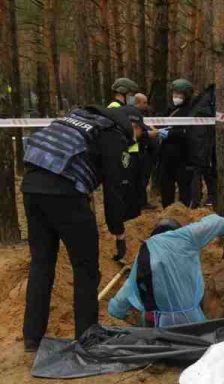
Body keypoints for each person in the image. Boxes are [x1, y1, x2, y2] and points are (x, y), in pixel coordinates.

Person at [21, 105, 137, 351]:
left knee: (41, 264)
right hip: (65, 194)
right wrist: (118, 231)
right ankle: (86, 335)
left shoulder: (77, 118)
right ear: (129, 126)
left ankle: (32, 338)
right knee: (85, 268)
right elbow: (114, 190)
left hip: (31, 187)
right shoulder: (112, 135)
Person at [108, 215, 224, 327]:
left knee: (147, 310)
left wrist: (117, 311)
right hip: (194, 322)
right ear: (176, 230)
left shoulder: (145, 251)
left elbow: (123, 297)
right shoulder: (186, 236)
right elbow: (218, 222)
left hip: (160, 328)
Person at [158, 78, 215, 208]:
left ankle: (184, 211)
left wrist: (171, 133)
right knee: (166, 186)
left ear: (186, 95)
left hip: (184, 155)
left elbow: (190, 131)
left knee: (185, 187)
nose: (176, 97)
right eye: (174, 94)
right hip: (166, 155)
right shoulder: (170, 109)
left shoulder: (192, 111)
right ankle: (167, 210)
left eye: (179, 94)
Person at [133, 93, 160, 210]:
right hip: (138, 151)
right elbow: (136, 132)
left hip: (144, 151)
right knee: (139, 179)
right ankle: (138, 203)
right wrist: (148, 134)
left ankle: (142, 202)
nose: (146, 105)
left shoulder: (141, 114)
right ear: (137, 103)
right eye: (144, 103)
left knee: (143, 179)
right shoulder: (133, 115)